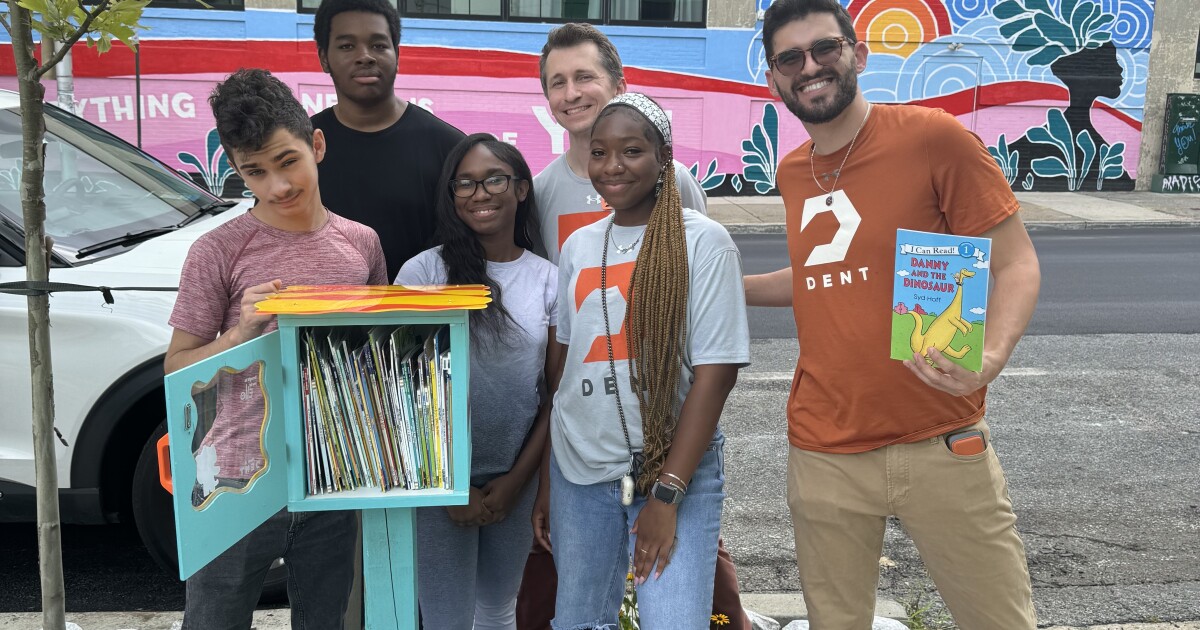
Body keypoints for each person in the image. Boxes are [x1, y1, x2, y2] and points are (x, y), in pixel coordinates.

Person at [743, 1, 1042, 628]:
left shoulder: (933, 138)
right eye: (790, 58)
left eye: (825, 48)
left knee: (1001, 621)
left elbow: (1013, 263)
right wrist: (728, 287)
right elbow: (827, 274)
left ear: (859, 53)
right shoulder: (794, 170)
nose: (810, 67)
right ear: (772, 79)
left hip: (939, 439)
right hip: (824, 447)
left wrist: (990, 359)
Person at [521, 24, 751, 630]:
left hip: (670, 468)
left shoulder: (703, 242)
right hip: (579, 472)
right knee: (579, 621)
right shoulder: (578, 246)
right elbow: (561, 376)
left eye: (632, 150)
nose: (613, 165)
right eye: (600, 152)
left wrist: (668, 493)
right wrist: (547, 483)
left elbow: (716, 372)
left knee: (673, 619)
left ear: (663, 158)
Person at [165, 68, 388, 630]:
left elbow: (381, 355)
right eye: (253, 172)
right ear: (237, 170)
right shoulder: (216, 251)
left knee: (328, 620)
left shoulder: (361, 244)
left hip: (333, 468)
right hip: (232, 478)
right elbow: (176, 371)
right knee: (214, 619)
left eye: (287, 162)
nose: (277, 187)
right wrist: (240, 334)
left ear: (317, 143)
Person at [394, 134, 561, 629]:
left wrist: (517, 483)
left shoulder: (549, 280)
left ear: (522, 189)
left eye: (494, 179)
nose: (479, 193)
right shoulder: (422, 272)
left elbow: (554, 395)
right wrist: (450, 488)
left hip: (516, 476)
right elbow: (405, 395)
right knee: (445, 618)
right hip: (437, 481)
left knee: (498, 610)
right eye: (464, 183)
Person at [311, 0, 465, 279]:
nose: (365, 56)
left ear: (397, 53)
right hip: (325, 318)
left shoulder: (449, 147)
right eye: (347, 46)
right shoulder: (301, 148)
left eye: (379, 45)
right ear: (323, 57)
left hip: (424, 317)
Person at [531, 22, 707, 264]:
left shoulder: (672, 178)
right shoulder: (539, 192)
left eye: (584, 77)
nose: (571, 94)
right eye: (558, 83)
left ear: (619, 89)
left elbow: (700, 271)